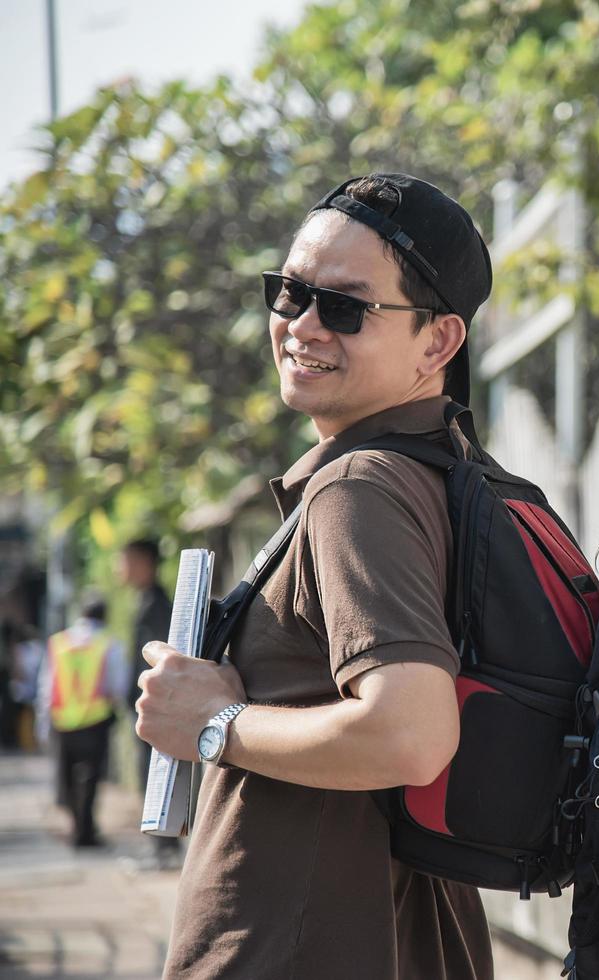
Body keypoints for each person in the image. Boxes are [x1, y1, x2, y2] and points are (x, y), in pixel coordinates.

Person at [134, 173, 494, 979]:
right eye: (290, 293)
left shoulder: (359, 488)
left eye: (344, 307)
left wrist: (215, 721)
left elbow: (411, 733)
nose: (301, 325)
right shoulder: (450, 476)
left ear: (437, 343)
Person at [39, 593, 131, 848]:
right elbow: (118, 684)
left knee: (66, 777)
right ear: (105, 615)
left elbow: (47, 684)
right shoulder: (109, 643)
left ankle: (77, 825)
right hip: (95, 720)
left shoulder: (58, 642)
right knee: (91, 777)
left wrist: (43, 722)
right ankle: (86, 829)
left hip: (63, 721)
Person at [118, 537, 182, 869]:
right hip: (147, 706)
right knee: (149, 774)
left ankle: (164, 850)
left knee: (157, 775)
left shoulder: (157, 605)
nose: (120, 568)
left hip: (155, 708)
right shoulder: (146, 601)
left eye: (125, 559)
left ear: (144, 562)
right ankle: (161, 849)